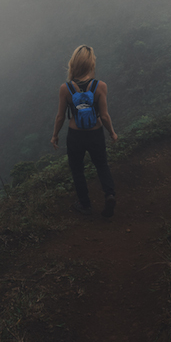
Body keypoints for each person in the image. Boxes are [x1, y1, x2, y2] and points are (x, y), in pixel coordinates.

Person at [51, 45, 118, 217]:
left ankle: (85, 204)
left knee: (77, 169)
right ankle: (109, 195)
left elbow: (60, 117)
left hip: (75, 135)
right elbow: (104, 115)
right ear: (91, 64)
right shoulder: (100, 86)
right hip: (95, 133)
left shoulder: (65, 88)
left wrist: (55, 135)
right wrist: (111, 132)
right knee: (102, 165)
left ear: (73, 63)